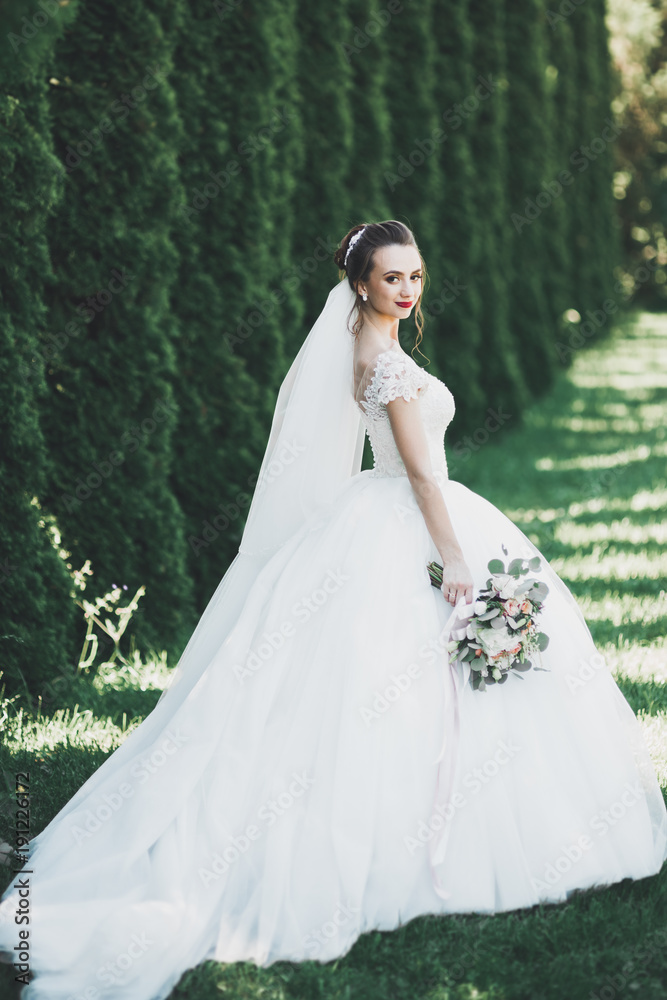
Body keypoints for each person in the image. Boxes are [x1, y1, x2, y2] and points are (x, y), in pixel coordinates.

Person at [1, 219, 665, 1000]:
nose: (408, 289)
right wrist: (454, 558)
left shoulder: (374, 347)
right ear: (361, 285)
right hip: (412, 520)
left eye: (415, 275)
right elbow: (420, 476)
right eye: (392, 278)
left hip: (384, 514)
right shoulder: (381, 364)